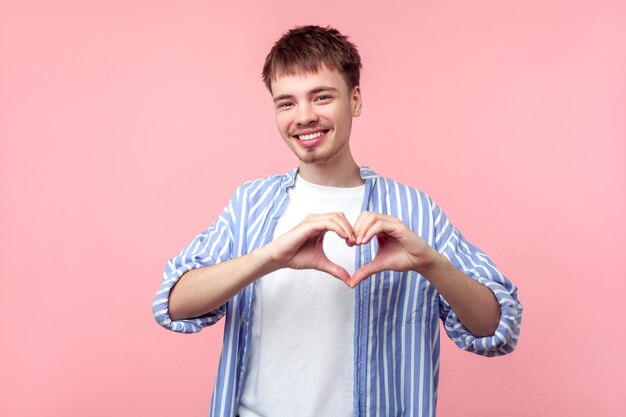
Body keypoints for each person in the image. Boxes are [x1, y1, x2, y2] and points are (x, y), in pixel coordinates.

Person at [153, 25, 522, 417]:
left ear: (355, 100)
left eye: (322, 97)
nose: (305, 117)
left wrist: (431, 264)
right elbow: (173, 303)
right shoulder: (251, 203)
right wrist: (269, 257)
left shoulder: (414, 210)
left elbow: (498, 330)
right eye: (286, 103)